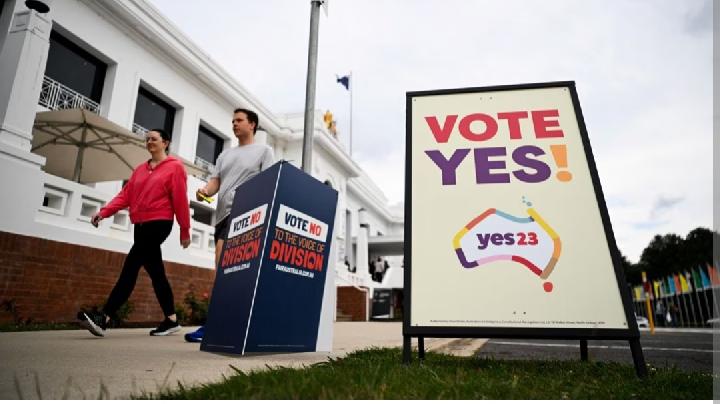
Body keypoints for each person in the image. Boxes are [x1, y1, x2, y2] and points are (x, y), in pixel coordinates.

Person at [77, 129, 191, 337]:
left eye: (154, 139)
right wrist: (104, 212)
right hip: (140, 225)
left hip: (159, 223)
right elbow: (125, 196)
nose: (149, 142)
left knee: (130, 267)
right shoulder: (139, 170)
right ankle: (171, 319)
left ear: (166, 142)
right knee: (157, 273)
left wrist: (185, 229)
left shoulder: (175, 168)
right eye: (147, 139)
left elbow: (180, 200)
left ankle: (105, 317)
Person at [185, 108, 274, 343]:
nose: (234, 124)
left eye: (239, 120)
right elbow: (216, 181)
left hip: (247, 215)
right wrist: (205, 190)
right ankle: (227, 323)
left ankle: (217, 324)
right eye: (232, 121)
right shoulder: (225, 155)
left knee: (231, 268)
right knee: (222, 270)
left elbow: (269, 183)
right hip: (222, 216)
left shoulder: (264, 151)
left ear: (252, 124)